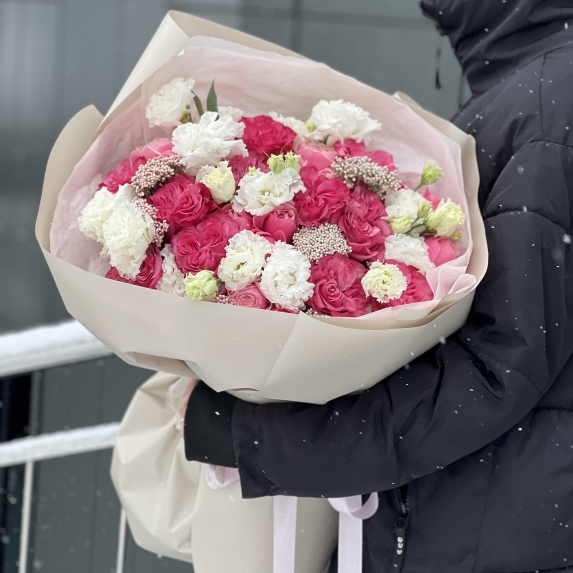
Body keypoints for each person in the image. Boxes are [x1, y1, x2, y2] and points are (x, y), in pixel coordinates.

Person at [182, 1, 573, 571]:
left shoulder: (546, 102)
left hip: (494, 540)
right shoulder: (530, 91)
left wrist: (250, 430)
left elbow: (494, 374)